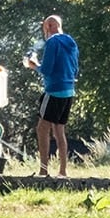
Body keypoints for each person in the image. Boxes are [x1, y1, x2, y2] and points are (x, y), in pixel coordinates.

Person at [24, 15, 82, 178]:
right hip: (69, 90)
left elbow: (47, 70)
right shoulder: (71, 42)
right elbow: (75, 68)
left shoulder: (52, 42)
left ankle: (43, 170)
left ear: (49, 26)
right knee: (59, 130)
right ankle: (63, 171)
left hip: (54, 90)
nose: (44, 32)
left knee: (42, 129)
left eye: (44, 28)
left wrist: (34, 65)